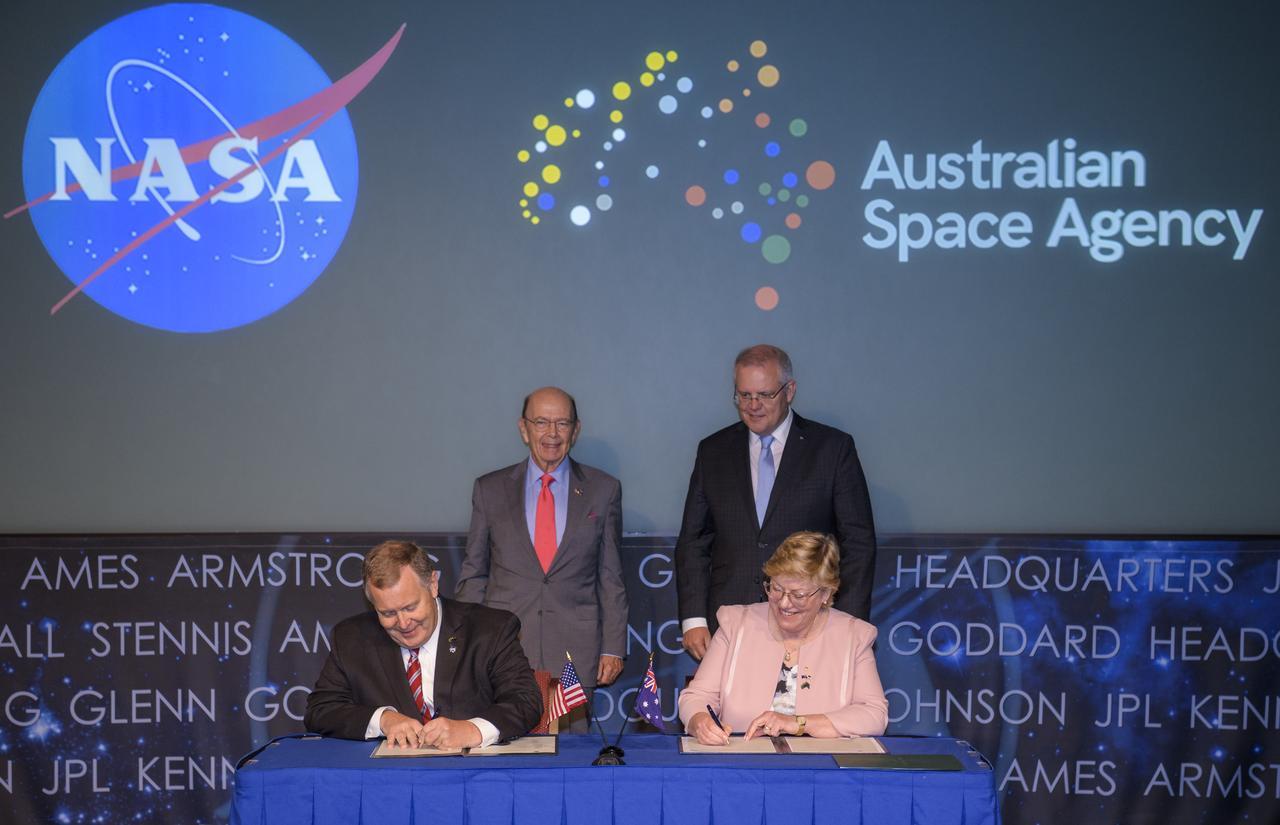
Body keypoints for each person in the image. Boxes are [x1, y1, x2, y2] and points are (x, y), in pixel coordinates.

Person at [675, 344, 876, 660]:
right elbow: (694, 542)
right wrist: (694, 619)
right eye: (743, 395)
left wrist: (846, 624)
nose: (752, 405)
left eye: (765, 395)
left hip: (812, 623)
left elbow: (858, 544)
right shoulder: (712, 451)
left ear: (789, 390)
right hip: (730, 628)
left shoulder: (833, 450)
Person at [456, 386, 627, 729]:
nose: (552, 433)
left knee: (571, 763)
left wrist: (613, 646)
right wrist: (466, 644)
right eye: (541, 422)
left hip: (575, 652)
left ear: (575, 431)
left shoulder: (603, 489)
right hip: (503, 650)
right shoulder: (489, 490)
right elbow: (474, 574)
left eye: (562, 423)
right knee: (503, 756)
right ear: (524, 428)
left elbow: (610, 576)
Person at [304, 540, 542, 749]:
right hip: (391, 783)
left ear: (433, 585)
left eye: (410, 607)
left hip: (476, 777)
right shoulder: (351, 637)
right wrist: (383, 719)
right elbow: (320, 710)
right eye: (388, 613)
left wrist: (472, 730)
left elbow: (525, 701)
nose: (403, 622)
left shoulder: (490, 629)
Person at [679, 532, 888, 743]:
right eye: (776, 588)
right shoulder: (735, 625)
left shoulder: (854, 636)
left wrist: (798, 723)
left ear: (825, 594)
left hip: (819, 769)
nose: (784, 603)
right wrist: (700, 721)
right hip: (742, 762)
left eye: (798, 595)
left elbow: (873, 715)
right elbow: (697, 697)